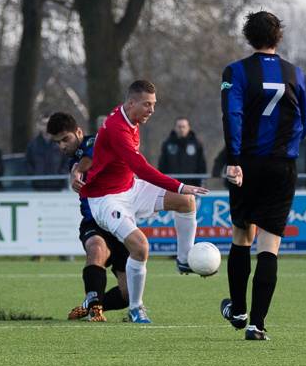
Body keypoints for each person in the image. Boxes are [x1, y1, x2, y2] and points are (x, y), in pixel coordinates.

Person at [78, 80, 209, 324]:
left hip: (130, 188)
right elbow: (141, 168)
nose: (152, 110)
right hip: (107, 200)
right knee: (140, 247)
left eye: (154, 104)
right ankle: (136, 308)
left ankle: (183, 260)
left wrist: (181, 191)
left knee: (186, 201)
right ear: (131, 103)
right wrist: (179, 185)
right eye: (147, 104)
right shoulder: (117, 128)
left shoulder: (131, 117)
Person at [220, 10, 306, 341]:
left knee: (242, 235)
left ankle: (238, 311)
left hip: (247, 163)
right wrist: (286, 149)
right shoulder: (295, 73)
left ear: (248, 36)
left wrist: (234, 159)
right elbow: (305, 121)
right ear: (278, 36)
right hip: (282, 165)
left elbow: (232, 114)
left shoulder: (236, 71)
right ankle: (257, 325)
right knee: (270, 244)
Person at [47, 112, 130, 322]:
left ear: (78, 132)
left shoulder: (95, 143)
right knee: (96, 249)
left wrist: (76, 171)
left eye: (65, 139)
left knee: (128, 293)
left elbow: (91, 157)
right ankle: (95, 309)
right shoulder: (73, 160)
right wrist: (75, 169)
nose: (62, 146)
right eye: (57, 142)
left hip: (118, 221)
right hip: (93, 222)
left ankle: (90, 305)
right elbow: (83, 160)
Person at [157, 117, 208, 184]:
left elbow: (201, 164)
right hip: (172, 184)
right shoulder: (168, 144)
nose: (181, 129)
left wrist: (201, 180)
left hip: (192, 184)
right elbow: (162, 164)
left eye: (184, 127)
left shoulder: (196, 144)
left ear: (188, 128)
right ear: (175, 128)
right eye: (179, 127)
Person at [25, 116, 66, 190]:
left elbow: (67, 162)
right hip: (38, 187)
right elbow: (27, 163)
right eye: (44, 124)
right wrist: (33, 175)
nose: (47, 126)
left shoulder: (61, 144)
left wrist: (61, 175)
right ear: (39, 126)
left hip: (57, 186)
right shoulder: (32, 145)